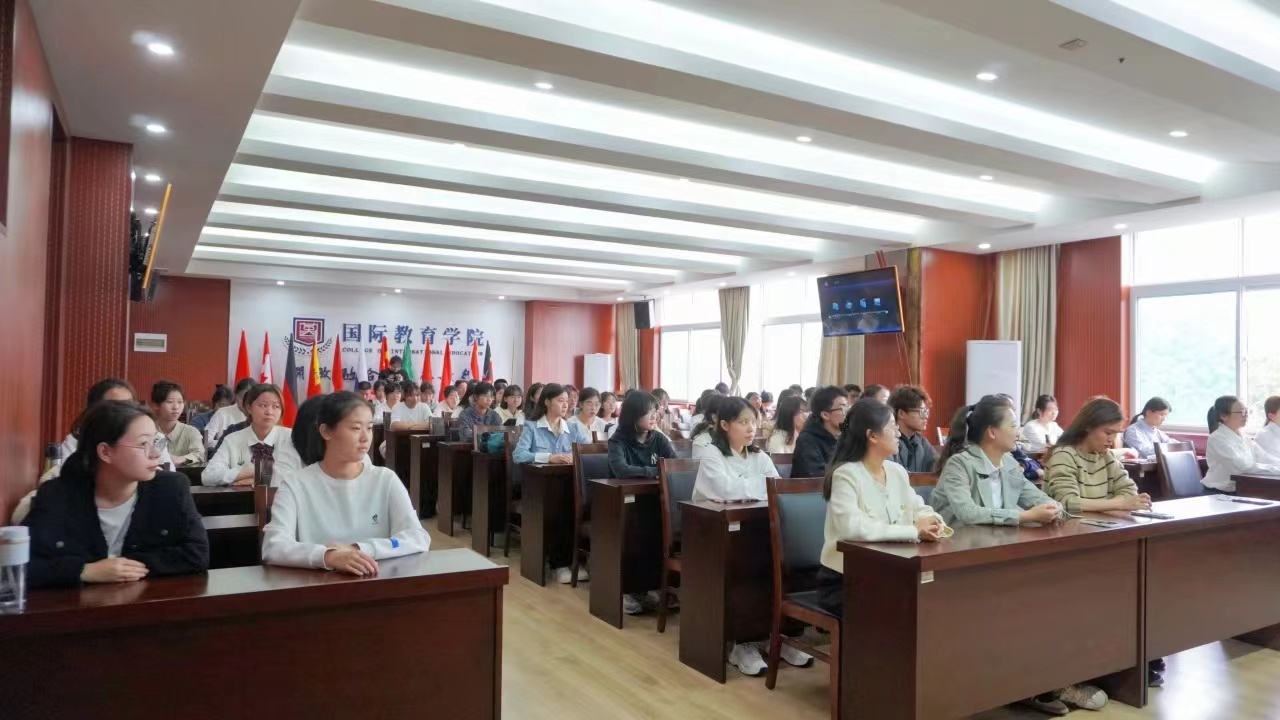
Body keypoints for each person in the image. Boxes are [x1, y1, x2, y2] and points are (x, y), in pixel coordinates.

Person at [23, 401, 209, 588]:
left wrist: (122, 568)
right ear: (105, 452)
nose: (155, 453)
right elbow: (20, 564)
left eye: (155, 442)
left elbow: (197, 554)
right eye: (143, 444)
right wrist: (83, 571)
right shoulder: (57, 495)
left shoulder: (171, 489)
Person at [691, 396, 809, 675]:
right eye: (743, 422)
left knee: (785, 565)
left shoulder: (759, 456)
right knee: (749, 568)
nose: (750, 428)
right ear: (724, 425)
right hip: (715, 535)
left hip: (758, 528)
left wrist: (744, 486)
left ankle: (776, 636)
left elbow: (776, 488)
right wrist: (754, 486)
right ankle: (742, 643)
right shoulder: (712, 454)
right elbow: (726, 490)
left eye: (753, 422)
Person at [262, 391, 429, 573]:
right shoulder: (295, 484)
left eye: (369, 428)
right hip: (317, 585)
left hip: (376, 581)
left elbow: (417, 537)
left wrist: (358, 549)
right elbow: (273, 546)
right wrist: (328, 556)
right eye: (356, 428)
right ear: (326, 431)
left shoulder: (385, 479)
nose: (365, 437)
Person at [816, 398, 948, 617]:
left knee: (936, 595)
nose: (898, 433)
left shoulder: (897, 471)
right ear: (872, 435)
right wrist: (914, 530)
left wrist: (934, 522)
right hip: (847, 578)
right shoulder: (846, 474)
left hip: (891, 569)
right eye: (892, 427)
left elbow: (918, 508)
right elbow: (852, 527)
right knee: (908, 605)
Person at [931, 397, 1062, 529]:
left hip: (997, 538)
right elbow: (968, 513)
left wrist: (1054, 508)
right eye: (1013, 426)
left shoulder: (1009, 463)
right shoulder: (958, 464)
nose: (1018, 434)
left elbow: (1035, 496)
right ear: (992, 432)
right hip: (959, 539)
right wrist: (1024, 516)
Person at [608, 391, 677, 615]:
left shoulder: (658, 438)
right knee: (635, 534)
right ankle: (628, 590)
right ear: (633, 415)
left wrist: (658, 471)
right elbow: (621, 470)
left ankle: (649, 587)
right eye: (648, 412)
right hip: (626, 505)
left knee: (659, 533)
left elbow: (674, 465)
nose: (654, 416)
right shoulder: (618, 440)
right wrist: (655, 471)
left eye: (655, 411)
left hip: (654, 501)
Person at [513, 383, 590, 584]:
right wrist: (549, 457)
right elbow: (518, 455)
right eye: (560, 401)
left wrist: (577, 457)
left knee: (573, 507)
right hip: (540, 489)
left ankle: (573, 561)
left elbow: (590, 452)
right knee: (559, 510)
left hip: (570, 485)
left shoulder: (573, 428)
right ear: (547, 402)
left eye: (567, 401)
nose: (566, 405)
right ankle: (559, 564)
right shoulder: (532, 427)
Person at [1045, 397, 1151, 514]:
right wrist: (1119, 504)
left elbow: (1129, 490)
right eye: (1108, 433)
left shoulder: (1107, 456)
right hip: (1070, 524)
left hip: (1100, 522)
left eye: (1115, 433)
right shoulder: (1064, 455)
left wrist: (1115, 505)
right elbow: (1067, 502)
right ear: (1088, 427)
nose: (1112, 439)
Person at [203, 384, 289, 487]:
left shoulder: (291, 438)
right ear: (249, 408)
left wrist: (259, 479)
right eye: (263, 405)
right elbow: (208, 476)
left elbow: (299, 476)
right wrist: (253, 472)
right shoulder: (232, 439)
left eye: (276, 406)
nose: (269, 412)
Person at [1203, 395, 1280, 494]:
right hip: (1218, 493)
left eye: (1247, 412)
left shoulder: (1244, 437)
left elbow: (1264, 457)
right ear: (1223, 416)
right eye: (1242, 412)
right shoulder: (1217, 438)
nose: (1246, 415)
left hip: (1241, 490)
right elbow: (1243, 468)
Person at [791, 386, 849, 478]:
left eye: (848, 407)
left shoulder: (847, 437)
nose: (848, 412)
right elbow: (816, 478)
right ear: (825, 415)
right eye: (843, 408)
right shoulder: (807, 441)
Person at [151, 381, 205, 467]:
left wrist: (181, 459)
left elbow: (200, 455)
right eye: (170, 402)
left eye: (180, 402)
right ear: (156, 405)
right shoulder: (147, 431)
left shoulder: (191, 432)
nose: (176, 407)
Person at [887, 385, 936, 473]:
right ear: (902, 414)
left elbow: (937, 465)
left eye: (926, 412)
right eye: (921, 412)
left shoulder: (922, 442)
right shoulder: (888, 441)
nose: (925, 417)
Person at [205, 377, 255, 449]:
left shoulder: (260, 415)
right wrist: (228, 443)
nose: (244, 401)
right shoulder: (222, 413)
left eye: (248, 397)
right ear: (235, 396)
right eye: (241, 397)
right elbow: (206, 440)